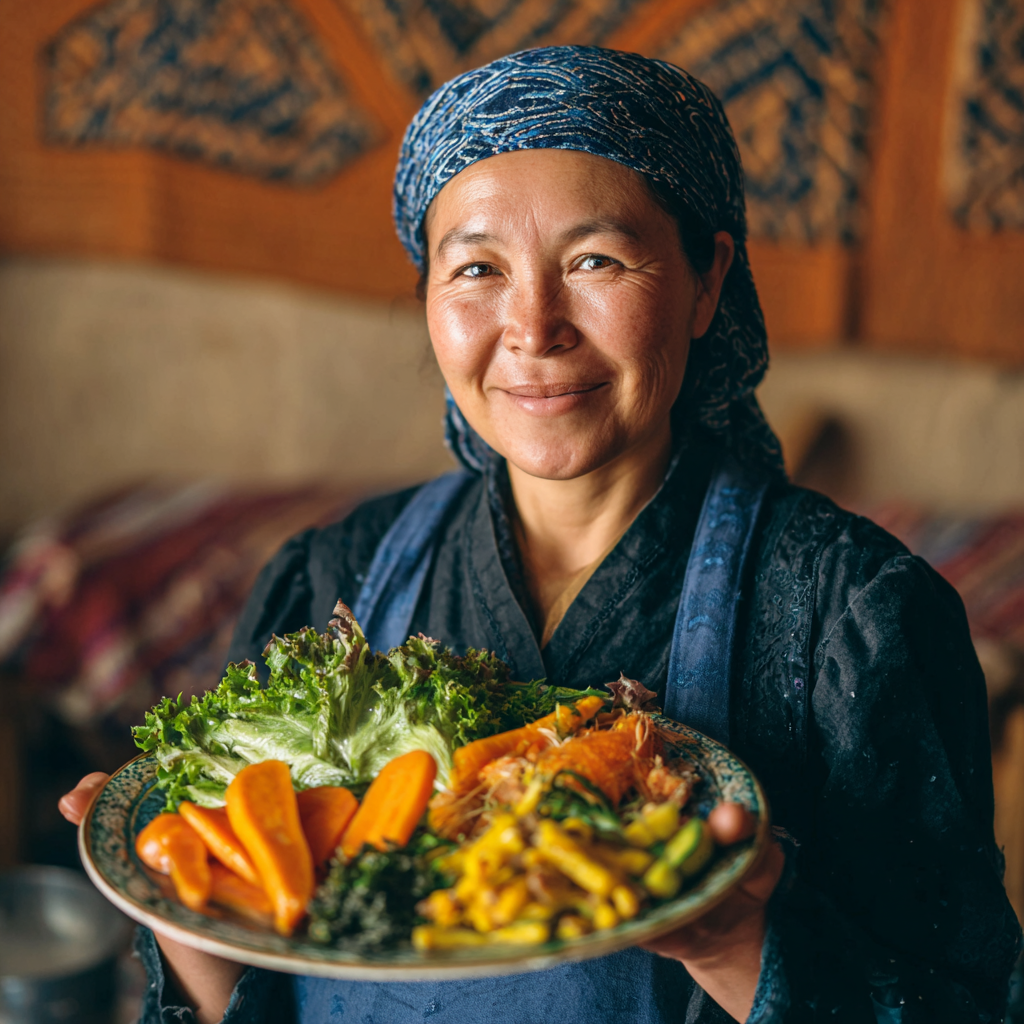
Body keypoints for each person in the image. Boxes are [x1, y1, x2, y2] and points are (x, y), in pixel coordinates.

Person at [59, 45, 1020, 1024]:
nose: (533, 326)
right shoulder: (331, 576)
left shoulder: (855, 614)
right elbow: (250, 996)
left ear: (704, 281)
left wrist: (734, 943)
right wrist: (184, 911)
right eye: (476, 267)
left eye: (594, 261)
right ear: (428, 296)